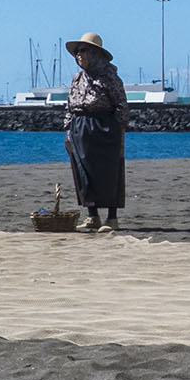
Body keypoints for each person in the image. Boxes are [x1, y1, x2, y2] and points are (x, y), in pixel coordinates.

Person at [64, 32, 128, 233]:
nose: (79, 55)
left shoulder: (109, 76)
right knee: (83, 170)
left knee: (109, 171)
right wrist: (68, 130)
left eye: (83, 51)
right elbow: (69, 106)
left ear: (94, 53)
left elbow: (121, 105)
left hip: (105, 125)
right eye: (77, 52)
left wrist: (118, 130)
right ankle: (92, 216)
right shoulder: (77, 78)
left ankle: (112, 218)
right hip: (79, 125)